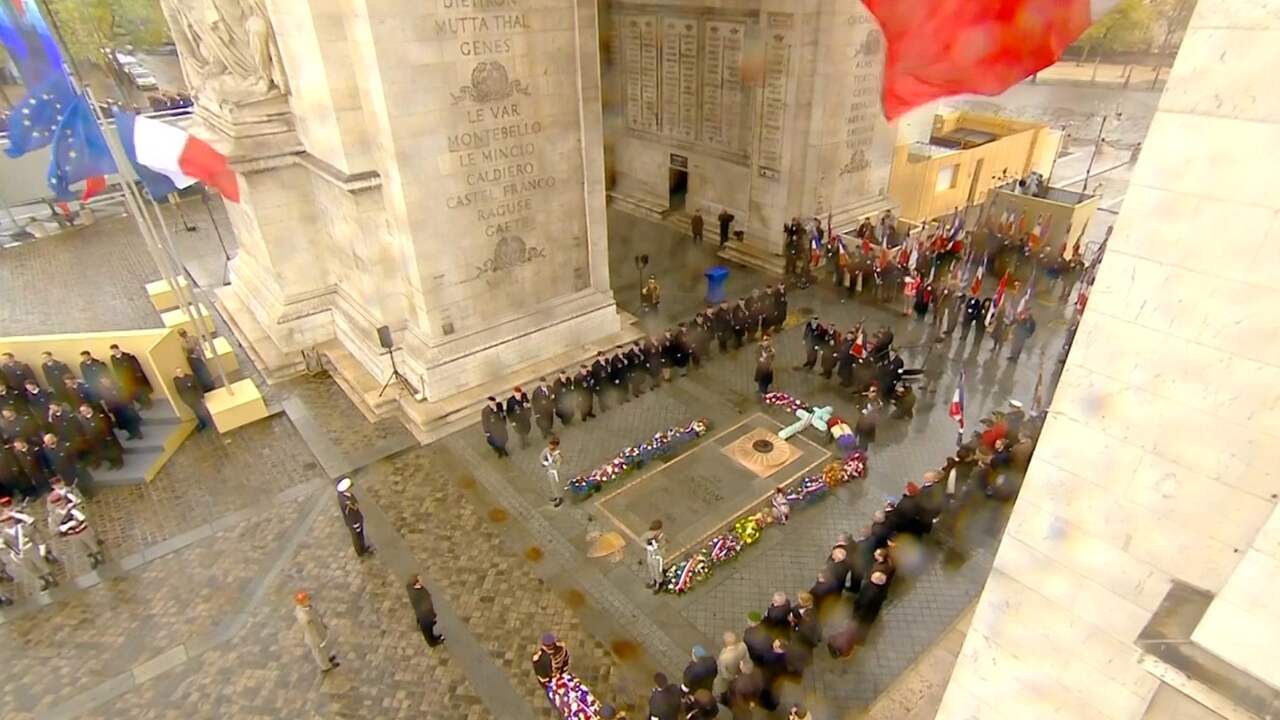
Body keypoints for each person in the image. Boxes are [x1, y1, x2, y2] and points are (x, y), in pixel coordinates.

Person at [2, 498, 59, 590]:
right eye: (5, 521)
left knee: (40, 563)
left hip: (29, 543)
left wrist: (16, 513)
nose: (8, 522)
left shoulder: (19, 518)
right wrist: (13, 556)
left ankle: (51, 576)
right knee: (30, 568)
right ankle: (43, 580)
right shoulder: (4, 533)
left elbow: (31, 521)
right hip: (19, 553)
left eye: (9, 520)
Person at [47, 478, 104, 569]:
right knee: (80, 546)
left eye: (59, 482)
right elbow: (53, 526)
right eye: (55, 484)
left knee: (91, 541)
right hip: (71, 533)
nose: (58, 485)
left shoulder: (71, 493)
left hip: (81, 527)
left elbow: (81, 504)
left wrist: (75, 502)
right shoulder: (53, 506)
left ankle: (98, 553)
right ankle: (91, 557)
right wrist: (65, 526)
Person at [293, 591, 339, 671]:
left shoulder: (307, 607)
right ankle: (326, 666)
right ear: (302, 603)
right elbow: (309, 627)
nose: (309, 600)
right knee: (320, 653)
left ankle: (327, 658)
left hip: (320, 631)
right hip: (315, 638)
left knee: (323, 649)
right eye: (306, 600)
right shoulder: (304, 617)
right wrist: (318, 640)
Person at [77, 403, 124, 470]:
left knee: (112, 451)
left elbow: (106, 427)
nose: (82, 413)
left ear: (89, 409)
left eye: (84, 410)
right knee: (104, 454)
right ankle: (112, 463)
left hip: (104, 438)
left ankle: (119, 463)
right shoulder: (83, 419)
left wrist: (108, 437)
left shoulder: (99, 416)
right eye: (81, 411)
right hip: (95, 441)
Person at [335, 477, 373, 557]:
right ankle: (360, 551)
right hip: (354, 521)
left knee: (360, 535)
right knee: (357, 537)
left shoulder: (345, 495)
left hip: (357, 519)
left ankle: (363, 547)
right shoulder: (346, 502)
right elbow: (352, 510)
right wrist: (355, 524)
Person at [109, 344, 153, 409]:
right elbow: (116, 369)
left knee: (141, 392)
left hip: (134, 378)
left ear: (118, 349)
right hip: (125, 379)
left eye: (115, 350)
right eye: (112, 351)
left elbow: (136, 365)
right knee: (133, 394)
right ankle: (142, 404)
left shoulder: (128, 356)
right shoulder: (113, 358)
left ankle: (148, 404)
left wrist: (139, 375)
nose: (114, 352)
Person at [406, 574, 445, 646]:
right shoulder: (422, 595)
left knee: (425, 624)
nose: (422, 580)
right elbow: (427, 608)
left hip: (419, 612)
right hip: (425, 617)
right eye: (420, 580)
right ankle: (432, 642)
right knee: (428, 631)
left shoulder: (409, 587)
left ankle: (421, 625)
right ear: (417, 583)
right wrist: (432, 616)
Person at [714, 631, 747, 699]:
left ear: (725, 643)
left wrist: (734, 677)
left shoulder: (723, 657)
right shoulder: (741, 648)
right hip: (736, 674)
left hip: (725, 682)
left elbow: (724, 674)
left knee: (721, 693)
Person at [540, 436, 563, 508]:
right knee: (552, 485)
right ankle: (556, 496)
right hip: (549, 471)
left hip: (555, 472)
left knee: (557, 486)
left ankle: (559, 498)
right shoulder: (546, 450)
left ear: (556, 446)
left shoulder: (558, 455)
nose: (550, 446)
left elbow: (557, 465)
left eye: (553, 444)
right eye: (550, 444)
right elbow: (541, 457)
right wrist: (544, 462)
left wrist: (550, 464)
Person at [642, 520, 664, 591]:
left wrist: (657, 546)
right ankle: (653, 581)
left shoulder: (662, 537)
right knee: (651, 569)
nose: (654, 533)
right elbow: (642, 540)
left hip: (657, 557)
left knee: (658, 571)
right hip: (650, 555)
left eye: (656, 531)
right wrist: (647, 546)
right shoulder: (649, 534)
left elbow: (664, 548)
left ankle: (659, 585)